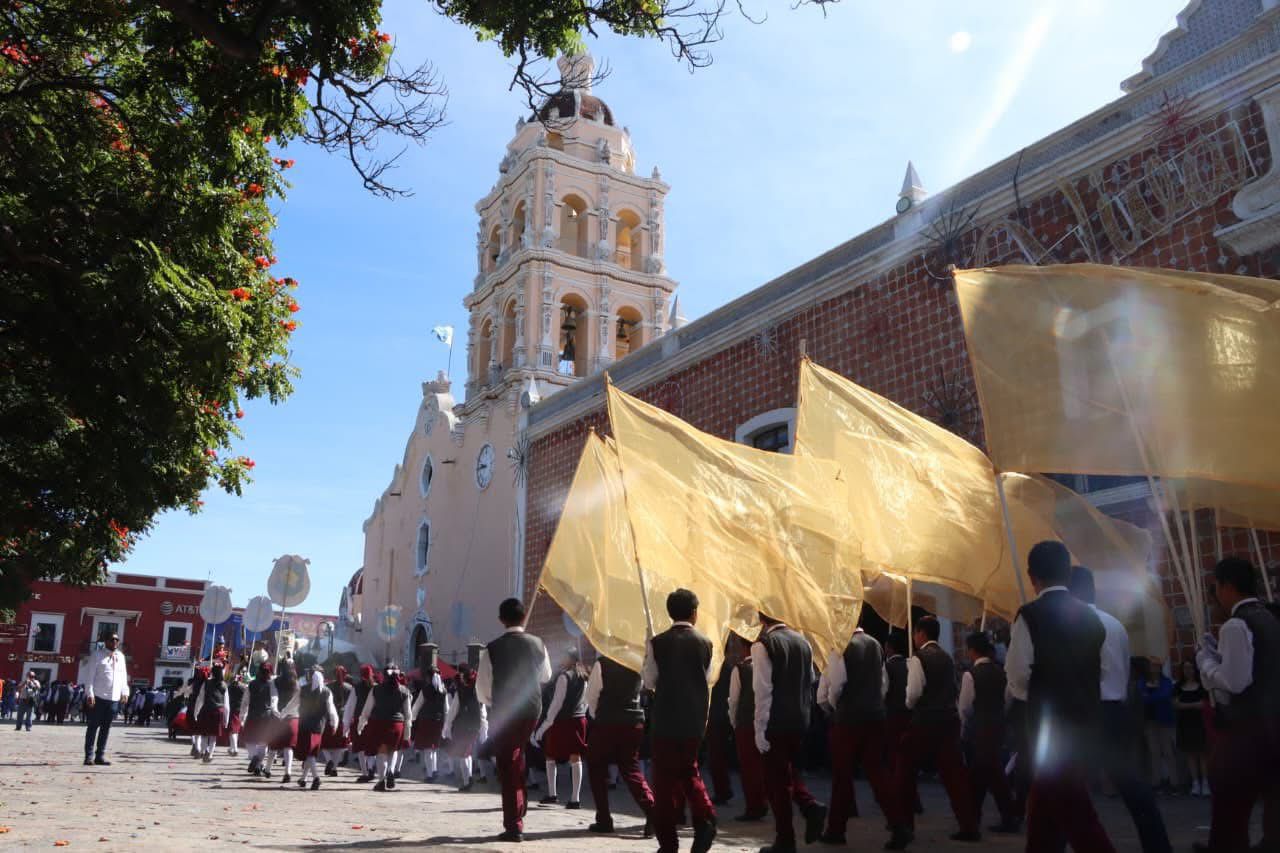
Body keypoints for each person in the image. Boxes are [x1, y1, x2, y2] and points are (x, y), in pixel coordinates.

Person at [1006, 541, 1116, 853]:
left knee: (1078, 816)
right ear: (1068, 573)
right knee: (1044, 810)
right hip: (1086, 721)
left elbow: (1017, 677)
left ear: (1031, 577)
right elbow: (1104, 670)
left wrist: (1043, 690)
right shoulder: (1093, 618)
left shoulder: (1030, 616)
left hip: (1048, 728)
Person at [1066, 565, 1172, 853]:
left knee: (1065, 786)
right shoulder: (1114, 624)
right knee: (1133, 789)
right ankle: (1158, 845)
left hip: (1085, 713)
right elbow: (1123, 670)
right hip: (1115, 710)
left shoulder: (1072, 624)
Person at [1192, 557, 1280, 853]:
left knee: (1230, 805)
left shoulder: (1235, 624)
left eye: (1216, 586)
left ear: (1227, 586)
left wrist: (1205, 662)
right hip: (1271, 725)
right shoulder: (1268, 616)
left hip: (1245, 730)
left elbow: (1235, 681)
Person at [884, 615, 979, 850]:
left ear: (921, 634)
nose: (914, 638)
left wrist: (908, 704)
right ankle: (969, 825)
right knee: (954, 777)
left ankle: (905, 826)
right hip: (948, 720)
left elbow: (914, 692)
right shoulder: (947, 658)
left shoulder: (918, 659)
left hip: (924, 721)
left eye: (915, 633)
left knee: (904, 775)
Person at [642, 588, 717, 853]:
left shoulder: (657, 642)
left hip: (665, 720)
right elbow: (707, 678)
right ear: (695, 613)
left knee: (663, 783)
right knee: (689, 770)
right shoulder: (706, 643)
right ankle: (705, 815)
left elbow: (649, 681)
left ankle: (669, 845)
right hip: (694, 720)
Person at [477, 597, 552, 842]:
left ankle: (514, 824)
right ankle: (520, 805)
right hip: (531, 709)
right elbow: (545, 676)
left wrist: (493, 703)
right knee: (517, 756)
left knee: (507, 766)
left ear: (501, 620)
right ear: (523, 617)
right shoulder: (539, 643)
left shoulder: (492, 648)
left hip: (505, 712)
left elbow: (483, 688)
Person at [752, 611, 827, 853]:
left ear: (762, 618)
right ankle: (808, 807)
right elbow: (811, 679)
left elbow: (762, 691)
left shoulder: (763, 645)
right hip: (800, 718)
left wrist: (759, 729)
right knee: (791, 772)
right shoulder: (802, 641)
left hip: (776, 720)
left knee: (777, 782)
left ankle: (786, 839)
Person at [816, 625, 895, 843]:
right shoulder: (875, 644)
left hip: (849, 718)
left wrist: (834, 706)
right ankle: (899, 824)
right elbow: (882, 683)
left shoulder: (840, 645)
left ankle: (836, 830)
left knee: (842, 776)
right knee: (877, 772)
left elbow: (837, 683)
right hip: (875, 715)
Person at [585, 649, 655, 835]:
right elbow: (644, 688)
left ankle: (604, 819)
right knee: (630, 768)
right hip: (633, 722)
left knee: (596, 768)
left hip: (606, 722)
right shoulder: (637, 662)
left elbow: (591, 696)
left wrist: (597, 715)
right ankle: (652, 810)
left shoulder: (603, 663)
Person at [957, 631, 1020, 835]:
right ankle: (1004, 816)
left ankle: (973, 822)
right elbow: (1008, 699)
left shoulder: (970, 675)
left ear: (972, 650)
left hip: (978, 730)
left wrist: (965, 727)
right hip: (997, 727)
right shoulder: (1002, 673)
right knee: (990, 774)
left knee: (981, 776)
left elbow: (965, 708)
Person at [533, 647, 590, 808]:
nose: (561, 659)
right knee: (575, 757)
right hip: (579, 720)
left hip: (563, 721)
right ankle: (575, 799)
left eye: (564, 656)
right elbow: (586, 702)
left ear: (570, 658)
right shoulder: (584, 676)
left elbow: (556, 703)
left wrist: (545, 724)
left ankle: (552, 794)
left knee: (550, 756)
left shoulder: (564, 677)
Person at [728, 637, 769, 825]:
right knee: (763, 766)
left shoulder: (740, 669)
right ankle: (764, 801)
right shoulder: (767, 666)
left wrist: (734, 721)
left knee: (748, 768)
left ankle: (754, 806)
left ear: (745, 648)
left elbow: (734, 700)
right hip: (766, 721)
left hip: (745, 723)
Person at [357, 661, 414, 791]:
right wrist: (407, 732)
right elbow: (408, 714)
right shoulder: (405, 691)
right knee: (393, 751)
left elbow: (367, 710)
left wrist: (361, 724)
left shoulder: (376, 689)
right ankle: (390, 772)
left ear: (384, 675)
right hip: (397, 725)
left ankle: (381, 780)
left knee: (381, 753)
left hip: (380, 724)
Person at [84, 632, 129, 766]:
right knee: (93, 727)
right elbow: (90, 676)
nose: (115, 642)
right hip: (98, 696)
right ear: (105, 641)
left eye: (117, 640)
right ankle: (89, 756)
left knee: (106, 728)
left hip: (114, 698)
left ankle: (100, 755)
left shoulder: (121, 657)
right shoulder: (97, 655)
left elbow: (123, 676)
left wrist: (125, 691)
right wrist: (90, 694)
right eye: (112, 639)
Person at [444, 662, 488, 790]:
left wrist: (447, 725)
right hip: (473, 725)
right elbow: (482, 709)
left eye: (461, 674)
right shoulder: (475, 689)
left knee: (463, 753)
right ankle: (467, 779)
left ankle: (467, 782)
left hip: (465, 726)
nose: (460, 676)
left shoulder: (464, 690)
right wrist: (483, 725)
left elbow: (454, 709)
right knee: (467, 753)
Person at [295, 666, 338, 790]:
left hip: (305, 726)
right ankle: (303, 779)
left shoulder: (303, 689)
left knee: (310, 754)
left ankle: (316, 778)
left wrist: (283, 714)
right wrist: (334, 723)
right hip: (319, 727)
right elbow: (332, 710)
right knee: (311, 753)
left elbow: (293, 703)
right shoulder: (326, 692)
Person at [707, 639, 738, 807]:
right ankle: (724, 789)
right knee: (721, 755)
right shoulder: (731, 668)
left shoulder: (714, 669)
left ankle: (722, 791)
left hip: (715, 716)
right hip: (727, 715)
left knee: (716, 756)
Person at [1140, 658, 1178, 792]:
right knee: (1153, 752)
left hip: (1165, 721)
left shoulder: (1166, 682)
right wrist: (1153, 696)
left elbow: (1165, 696)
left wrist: (1149, 697)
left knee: (1168, 751)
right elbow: (1140, 697)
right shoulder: (1143, 682)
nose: (1154, 668)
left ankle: (1175, 783)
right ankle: (1156, 782)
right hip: (1149, 722)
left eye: (1157, 666)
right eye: (1152, 666)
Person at [1174, 660, 1209, 796]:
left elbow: (1204, 704)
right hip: (1185, 724)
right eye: (1185, 668)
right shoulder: (1178, 686)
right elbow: (1176, 704)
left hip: (1200, 724)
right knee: (1190, 755)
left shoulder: (1202, 685)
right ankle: (1195, 783)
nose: (1188, 670)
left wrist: (1186, 705)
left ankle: (1205, 782)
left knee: (1202, 754)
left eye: (1190, 668)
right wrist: (1194, 705)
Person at [410, 664, 450, 782]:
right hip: (438, 722)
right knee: (433, 748)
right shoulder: (443, 690)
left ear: (428, 677)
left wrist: (412, 719)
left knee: (428, 749)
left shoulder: (425, 690)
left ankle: (430, 774)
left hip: (426, 721)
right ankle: (434, 770)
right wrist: (447, 724)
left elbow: (417, 706)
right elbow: (446, 709)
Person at [268, 660, 301, 783]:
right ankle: (288, 771)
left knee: (273, 745)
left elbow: (274, 697)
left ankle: (267, 769)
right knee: (289, 747)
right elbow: (298, 703)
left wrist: (276, 711)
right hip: (294, 717)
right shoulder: (298, 684)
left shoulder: (275, 681)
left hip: (278, 717)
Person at [243, 662, 277, 777]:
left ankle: (255, 759)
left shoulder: (251, 684)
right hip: (267, 717)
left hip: (253, 715)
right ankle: (258, 763)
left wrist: (242, 716)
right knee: (263, 743)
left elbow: (245, 702)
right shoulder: (272, 685)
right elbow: (274, 702)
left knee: (249, 741)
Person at [192, 663, 230, 763]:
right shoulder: (224, 685)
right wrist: (226, 719)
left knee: (205, 734)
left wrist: (196, 711)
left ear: (212, 673)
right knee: (213, 736)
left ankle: (205, 751)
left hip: (206, 710)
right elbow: (226, 704)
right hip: (219, 711)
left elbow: (200, 698)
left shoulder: (207, 683)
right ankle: (210, 754)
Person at [321, 665, 355, 777]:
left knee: (324, 744)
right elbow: (352, 705)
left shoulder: (328, 686)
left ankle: (329, 761)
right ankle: (334, 768)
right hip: (344, 718)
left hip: (330, 718)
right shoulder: (350, 688)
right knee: (339, 746)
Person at [352, 664, 379, 783]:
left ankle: (365, 772)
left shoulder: (356, 688)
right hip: (374, 720)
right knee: (372, 746)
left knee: (360, 747)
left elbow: (350, 706)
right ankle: (371, 767)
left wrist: (347, 722)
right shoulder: (378, 687)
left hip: (360, 718)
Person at [223, 672, 247, 756]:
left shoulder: (229, 687)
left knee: (232, 730)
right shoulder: (244, 687)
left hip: (233, 710)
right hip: (240, 710)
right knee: (235, 731)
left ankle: (235, 748)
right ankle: (232, 747)